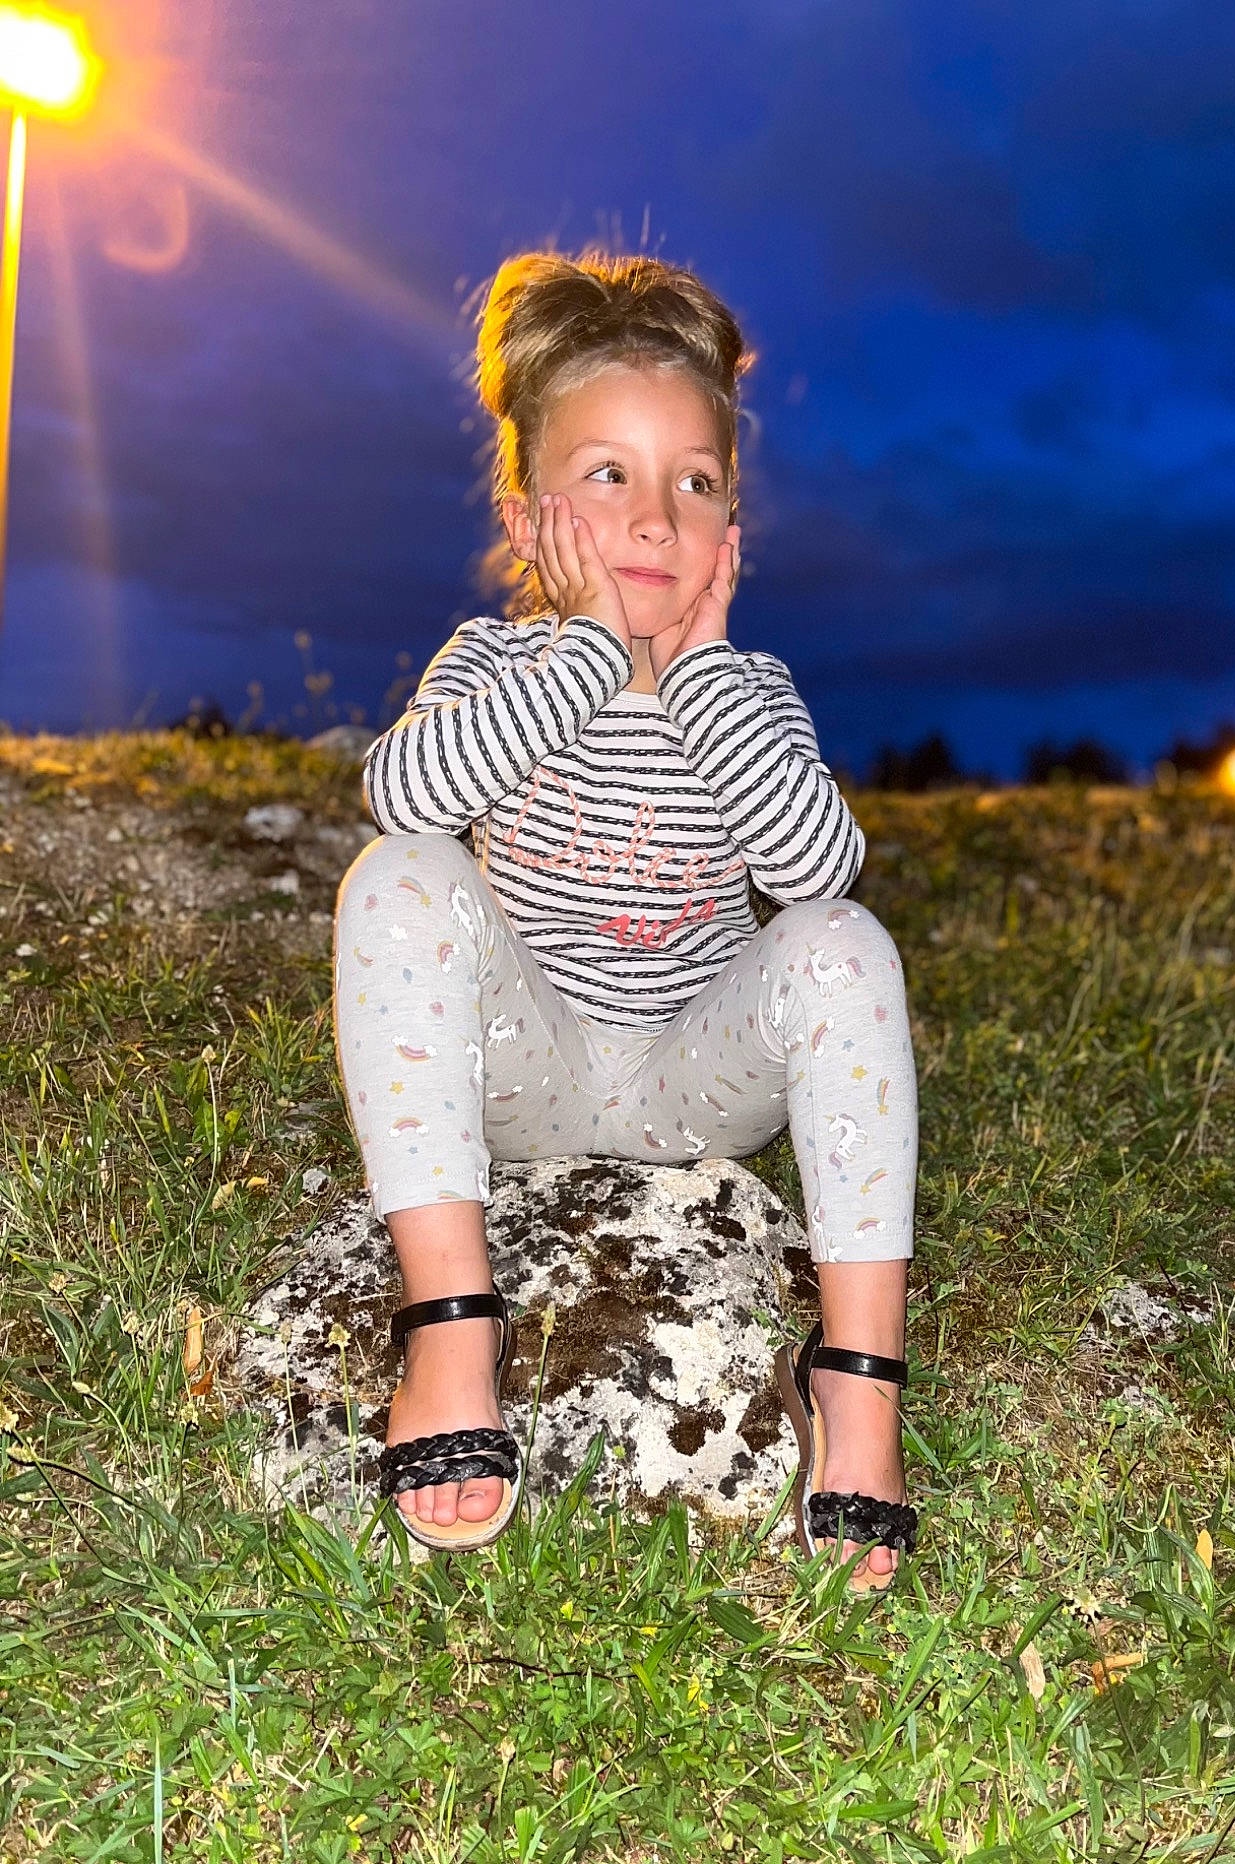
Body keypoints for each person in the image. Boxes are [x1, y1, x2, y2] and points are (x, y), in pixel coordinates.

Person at [332, 250, 919, 1591]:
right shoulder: (490, 665)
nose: (654, 518)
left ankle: (863, 1379)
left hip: (687, 1084)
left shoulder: (750, 690)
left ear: (731, 534)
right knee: (397, 877)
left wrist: (700, 678)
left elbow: (817, 864)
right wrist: (589, 651)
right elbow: (402, 793)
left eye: (694, 485)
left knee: (848, 945)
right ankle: (452, 1322)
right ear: (530, 515)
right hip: (522, 1082)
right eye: (608, 476)